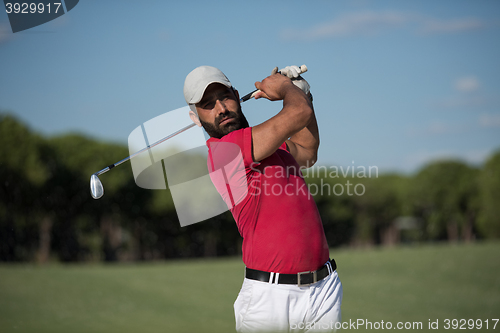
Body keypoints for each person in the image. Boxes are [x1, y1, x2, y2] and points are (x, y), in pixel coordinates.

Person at [183, 65, 343, 332]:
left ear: (237, 95)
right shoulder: (225, 152)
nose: (221, 108)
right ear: (195, 118)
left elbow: (307, 150)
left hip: (323, 288)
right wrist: (284, 88)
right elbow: (297, 112)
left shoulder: (270, 144)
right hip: (270, 298)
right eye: (208, 105)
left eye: (225, 97)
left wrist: (303, 92)